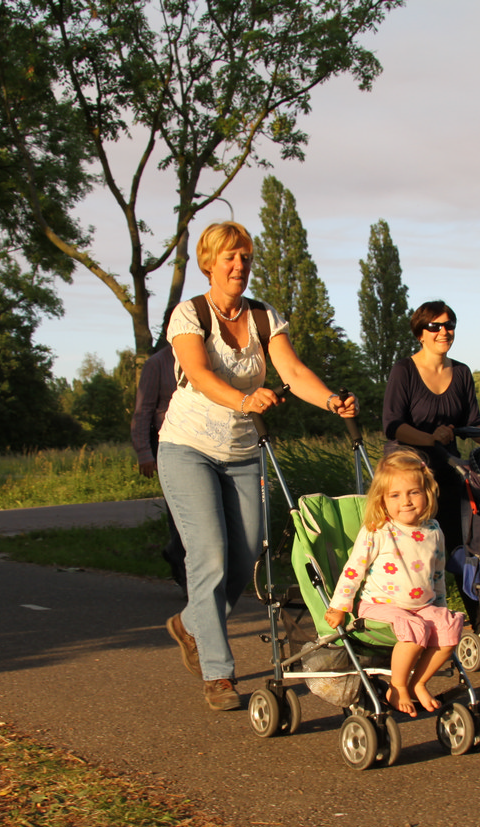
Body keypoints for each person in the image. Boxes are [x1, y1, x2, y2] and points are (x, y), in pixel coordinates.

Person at [158, 220, 358, 712]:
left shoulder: (264, 317)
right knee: (209, 556)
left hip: (244, 452)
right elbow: (199, 375)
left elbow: (293, 370)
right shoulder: (189, 314)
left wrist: (331, 401)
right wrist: (245, 399)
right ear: (209, 263)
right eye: (229, 257)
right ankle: (218, 674)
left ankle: (189, 623)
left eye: (245, 257)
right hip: (187, 448)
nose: (239, 265)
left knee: (246, 556)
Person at [324, 449, 464, 717]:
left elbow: (437, 576)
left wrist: (440, 607)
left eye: (414, 492)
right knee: (414, 629)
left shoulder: (433, 530)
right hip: (380, 605)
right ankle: (397, 686)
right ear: (383, 500)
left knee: (448, 630)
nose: (406, 501)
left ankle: (418, 683)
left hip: (422, 606)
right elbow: (353, 570)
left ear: (427, 493)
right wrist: (340, 605)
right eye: (395, 495)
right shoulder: (378, 530)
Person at [382, 300, 480, 564]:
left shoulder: (461, 372)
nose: (444, 332)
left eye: (449, 325)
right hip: (408, 472)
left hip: (447, 468)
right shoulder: (404, 370)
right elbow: (392, 425)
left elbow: (473, 421)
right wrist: (430, 438)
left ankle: (466, 583)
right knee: (413, 553)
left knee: (459, 543)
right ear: (420, 333)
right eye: (434, 326)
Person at [130, 342, 186, 588]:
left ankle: (175, 551)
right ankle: (187, 577)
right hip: (167, 442)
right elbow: (143, 410)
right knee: (181, 510)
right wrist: (144, 452)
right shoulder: (156, 364)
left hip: (203, 441)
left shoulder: (207, 355)